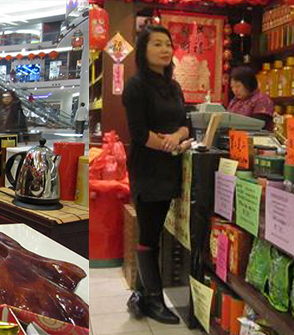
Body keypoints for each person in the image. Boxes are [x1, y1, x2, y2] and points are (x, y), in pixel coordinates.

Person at [122, 25, 193, 325]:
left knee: (157, 230)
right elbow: (138, 133)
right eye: (157, 44)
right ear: (143, 50)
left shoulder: (173, 86)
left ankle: (140, 294)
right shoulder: (136, 85)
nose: (165, 49)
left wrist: (178, 135)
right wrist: (166, 143)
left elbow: (186, 122)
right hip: (148, 168)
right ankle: (153, 299)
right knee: (150, 233)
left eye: (168, 44)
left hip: (170, 166)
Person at [227, 66, 275, 130]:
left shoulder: (262, 100)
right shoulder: (234, 101)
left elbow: (258, 124)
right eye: (232, 87)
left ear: (248, 84)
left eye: (238, 86)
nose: (235, 90)